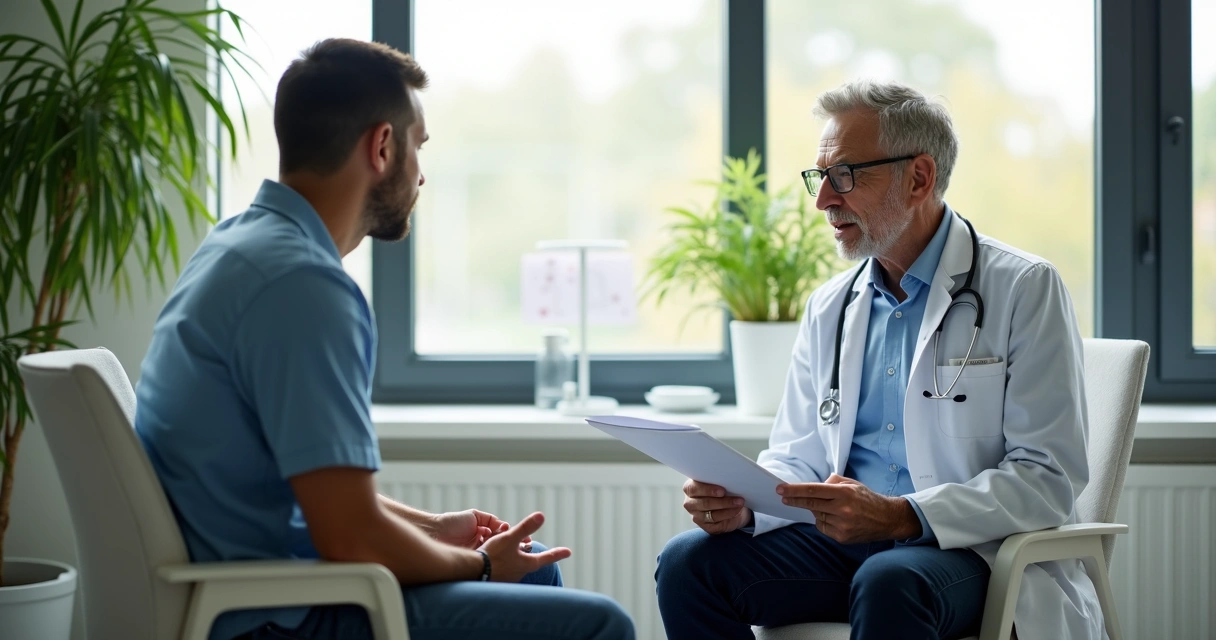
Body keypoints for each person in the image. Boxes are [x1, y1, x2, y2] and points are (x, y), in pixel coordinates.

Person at [135, 38, 634, 640]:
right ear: (382, 146)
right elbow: (348, 535)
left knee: (531, 574)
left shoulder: (236, 246)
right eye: (418, 147)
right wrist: (477, 563)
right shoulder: (303, 287)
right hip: (277, 615)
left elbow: (316, 493)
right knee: (602, 625)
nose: (421, 173)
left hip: (256, 584)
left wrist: (433, 529)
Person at [654, 81, 1103, 640]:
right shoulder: (831, 306)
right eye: (819, 178)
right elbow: (799, 457)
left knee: (890, 579)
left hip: (969, 549)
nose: (822, 200)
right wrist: (746, 506)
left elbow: (1047, 479)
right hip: (842, 547)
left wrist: (903, 515)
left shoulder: (1023, 288)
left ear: (918, 177)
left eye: (843, 176)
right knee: (688, 564)